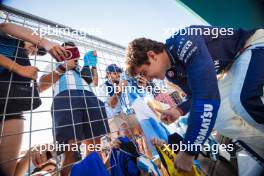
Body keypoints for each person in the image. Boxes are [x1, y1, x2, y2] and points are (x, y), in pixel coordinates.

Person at [124, 26, 264, 172]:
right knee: (220, 119)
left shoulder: (185, 40)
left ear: (152, 55)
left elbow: (207, 97)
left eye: (144, 72)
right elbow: (195, 96)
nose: (146, 78)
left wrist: (189, 150)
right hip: (231, 66)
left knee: (242, 101)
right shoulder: (171, 73)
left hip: (252, 45)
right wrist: (178, 110)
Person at [0, 22, 67, 176]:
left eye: (36, 52)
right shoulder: (8, 40)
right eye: (33, 46)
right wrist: (45, 43)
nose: (33, 50)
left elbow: (39, 88)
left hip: (12, 109)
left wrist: (31, 153)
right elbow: (5, 26)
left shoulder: (23, 63)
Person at [39, 41, 110, 176]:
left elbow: (95, 82)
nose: (70, 54)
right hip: (65, 97)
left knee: (95, 146)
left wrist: (92, 65)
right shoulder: (53, 65)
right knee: (70, 147)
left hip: (90, 97)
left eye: (73, 51)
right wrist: (63, 67)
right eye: (66, 51)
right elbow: (41, 85)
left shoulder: (82, 69)